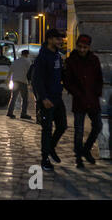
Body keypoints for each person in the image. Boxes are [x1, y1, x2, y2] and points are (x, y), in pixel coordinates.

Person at [63, 34, 103, 169]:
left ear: (89, 47)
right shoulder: (71, 61)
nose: (81, 50)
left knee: (98, 125)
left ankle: (86, 149)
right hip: (79, 99)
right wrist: (77, 93)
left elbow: (99, 78)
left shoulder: (94, 60)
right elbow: (67, 82)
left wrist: (97, 92)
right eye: (79, 47)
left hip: (92, 99)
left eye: (84, 47)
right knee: (78, 130)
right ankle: (78, 156)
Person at [31, 29, 67, 171]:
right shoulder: (42, 57)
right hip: (47, 99)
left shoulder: (57, 55)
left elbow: (60, 75)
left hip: (57, 97)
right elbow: (36, 80)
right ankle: (45, 158)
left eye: (61, 39)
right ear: (50, 39)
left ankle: (51, 147)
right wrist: (43, 98)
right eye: (58, 39)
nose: (61, 41)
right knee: (47, 129)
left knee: (62, 125)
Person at [6, 50, 32, 119]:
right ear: (27, 54)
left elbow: (10, 71)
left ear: (21, 54)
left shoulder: (16, 61)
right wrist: (30, 82)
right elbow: (30, 72)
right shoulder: (28, 61)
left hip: (15, 81)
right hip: (23, 81)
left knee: (13, 97)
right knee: (25, 99)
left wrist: (8, 79)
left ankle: (10, 112)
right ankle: (23, 113)